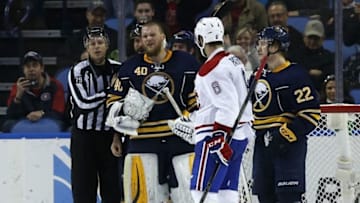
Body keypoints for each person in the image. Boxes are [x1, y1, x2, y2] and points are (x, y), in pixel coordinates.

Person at [105, 20, 200, 203]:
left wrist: (192, 119)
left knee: (188, 197)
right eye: (144, 36)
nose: (148, 39)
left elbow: (199, 100)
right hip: (143, 143)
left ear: (163, 37)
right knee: (145, 198)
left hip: (180, 141)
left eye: (152, 35)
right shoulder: (129, 68)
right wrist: (124, 113)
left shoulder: (186, 63)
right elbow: (112, 104)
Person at [185, 16, 254, 203]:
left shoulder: (211, 68)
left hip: (216, 137)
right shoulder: (233, 60)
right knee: (226, 193)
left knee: (201, 192)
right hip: (239, 135)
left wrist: (219, 137)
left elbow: (227, 106)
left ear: (200, 40)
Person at [251, 26, 321, 203]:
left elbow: (311, 114)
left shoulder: (296, 75)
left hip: (288, 148)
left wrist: (283, 136)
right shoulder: (257, 77)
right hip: (261, 147)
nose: (258, 48)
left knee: (287, 197)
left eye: (262, 44)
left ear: (275, 46)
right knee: (264, 197)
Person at [67, 26, 121, 203]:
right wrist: (110, 91)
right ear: (86, 47)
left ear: (107, 45)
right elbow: (83, 103)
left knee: (112, 190)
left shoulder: (118, 69)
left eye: (100, 42)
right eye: (92, 43)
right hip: (84, 138)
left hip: (109, 137)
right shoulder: (77, 71)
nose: (96, 46)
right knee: (83, 190)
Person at [2, 51, 65, 132]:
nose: (31, 69)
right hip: (24, 122)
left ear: (42, 68)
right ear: (24, 70)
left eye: (35, 65)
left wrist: (42, 114)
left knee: (62, 125)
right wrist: (18, 96)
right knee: (7, 125)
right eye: (28, 66)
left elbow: (59, 113)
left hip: (49, 121)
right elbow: (10, 116)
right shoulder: (18, 87)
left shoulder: (55, 85)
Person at [60, 0, 118, 67]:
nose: (98, 19)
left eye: (101, 15)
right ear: (87, 15)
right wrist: (80, 58)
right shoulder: (75, 39)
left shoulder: (114, 36)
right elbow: (62, 60)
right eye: (95, 15)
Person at [297, 17, 334, 92]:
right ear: (304, 37)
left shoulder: (329, 57)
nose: (312, 41)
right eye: (310, 38)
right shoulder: (295, 56)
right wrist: (309, 72)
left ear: (323, 38)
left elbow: (331, 79)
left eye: (316, 38)